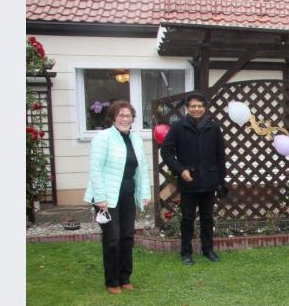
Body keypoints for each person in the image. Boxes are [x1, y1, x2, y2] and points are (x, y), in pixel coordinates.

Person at [84, 101, 151, 294]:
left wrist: (144, 194)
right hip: (107, 198)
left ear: (133, 119)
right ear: (113, 118)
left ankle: (125, 277)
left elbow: (142, 169)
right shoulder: (102, 138)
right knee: (112, 238)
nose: (125, 119)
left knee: (127, 237)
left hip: (128, 195)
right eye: (121, 115)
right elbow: (95, 169)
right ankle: (112, 281)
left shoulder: (136, 139)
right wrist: (100, 198)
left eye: (128, 116)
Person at [160, 92, 226, 265]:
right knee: (187, 219)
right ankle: (186, 252)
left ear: (204, 108)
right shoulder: (177, 127)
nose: (196, 109)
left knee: (207, 218)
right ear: (187, 108)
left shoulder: (213, 127)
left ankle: (208, 250)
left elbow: (221, 157)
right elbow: (166, 152)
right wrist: (180, 170)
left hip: (209, 181)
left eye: (199, 106)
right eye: (193, 106)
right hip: (188, 182)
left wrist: (221, 181)